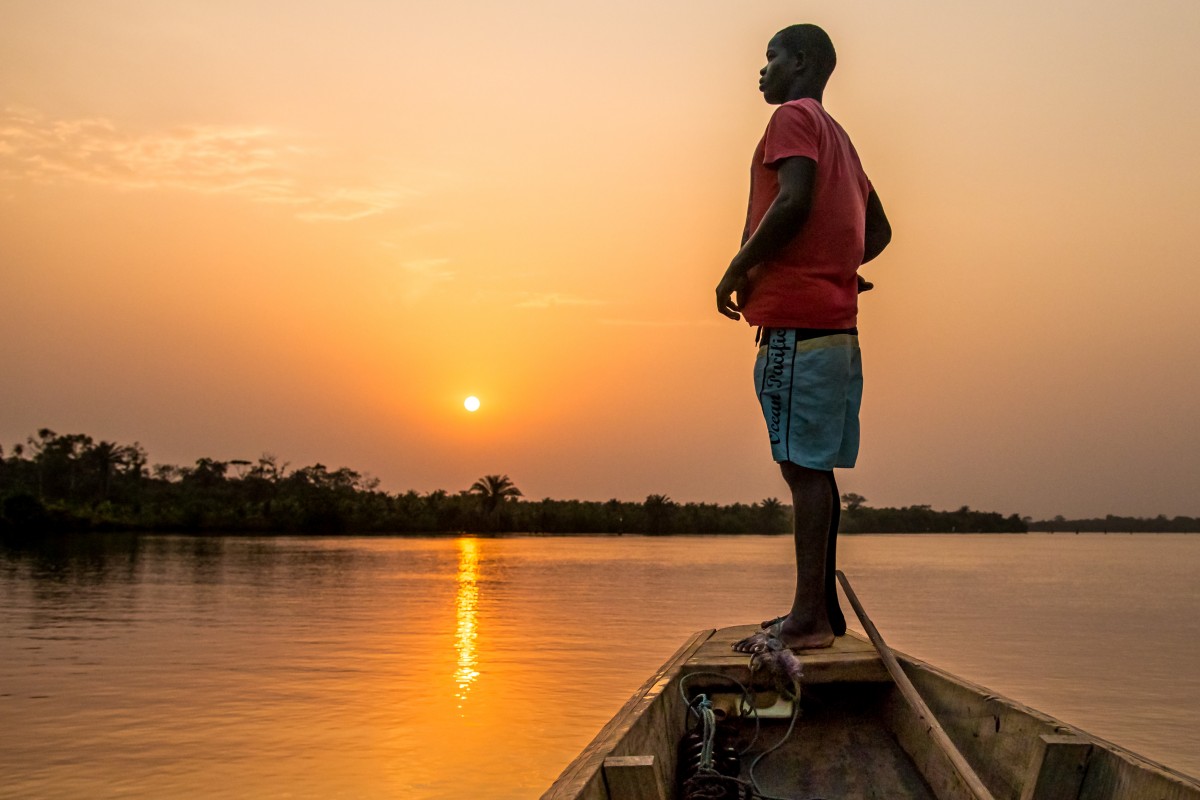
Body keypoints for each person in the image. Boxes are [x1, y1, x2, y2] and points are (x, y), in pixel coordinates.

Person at [716, 24, 891, 651]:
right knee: (816, 472)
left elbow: (791, 202)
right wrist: (838, 266)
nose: (762, 70)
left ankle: (809, 618)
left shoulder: (793, 117)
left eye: (772, 58)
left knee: (803, 473)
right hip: (836, 333)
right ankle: (822, 614)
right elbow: (879, 230)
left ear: (804, 63)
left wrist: (737, 266)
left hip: (798, 333)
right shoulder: (842, 139)